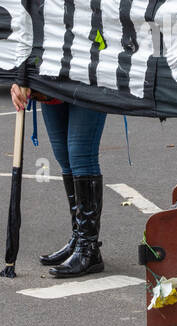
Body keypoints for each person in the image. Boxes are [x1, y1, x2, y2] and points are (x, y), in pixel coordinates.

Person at [10, 87, 108, 279]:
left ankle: (88, 248)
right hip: (50, 84)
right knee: (64, 156)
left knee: (80, 156)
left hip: (87, 80)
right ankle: (79, 237)